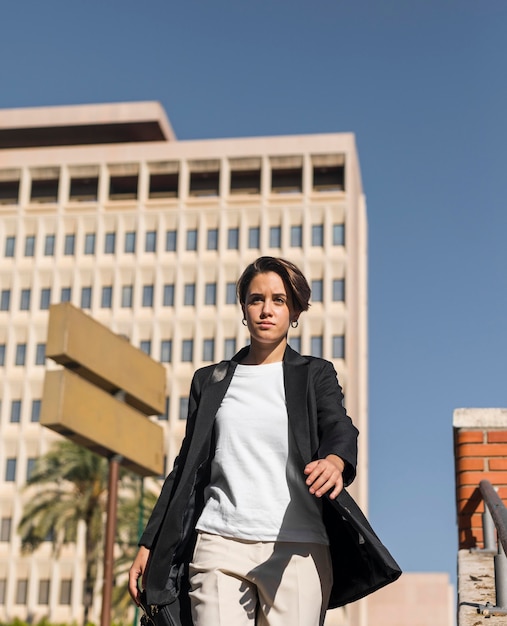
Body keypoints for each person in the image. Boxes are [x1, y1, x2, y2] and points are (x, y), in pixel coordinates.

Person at [128, 256, 359, 626]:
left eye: (279, 300)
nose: (266, 310)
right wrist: (149, 542)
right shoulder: (211, 380)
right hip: (218, 543)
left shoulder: (315, 375)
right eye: (256, 299)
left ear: (295, 311)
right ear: (244, 309)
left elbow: (339, 426)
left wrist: (335, 461)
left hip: (297, 546)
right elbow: (185, 468)